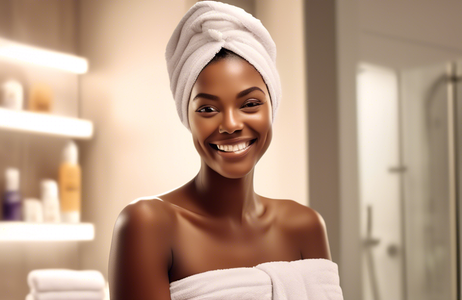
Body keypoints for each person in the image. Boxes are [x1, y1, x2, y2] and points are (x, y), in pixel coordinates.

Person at [108, 2, 344, 300]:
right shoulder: (147, 224)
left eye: (250, 104)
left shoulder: (305, 225)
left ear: (272, 108)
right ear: (187, 117)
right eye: (208, 108)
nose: (231, 124)